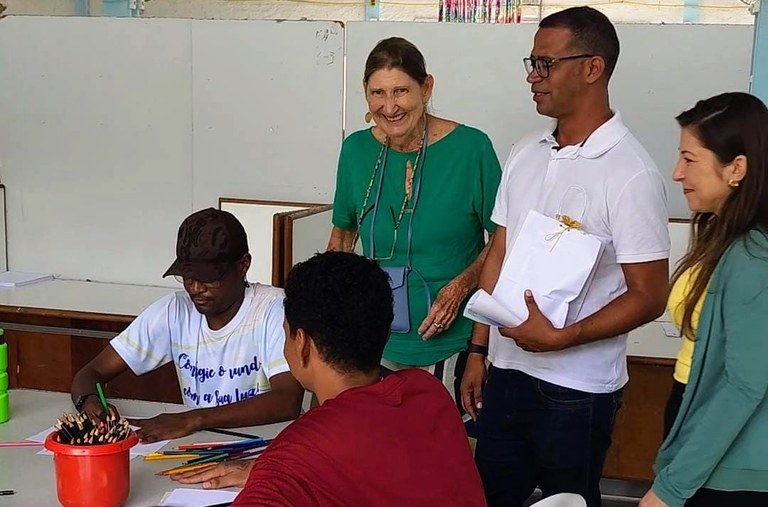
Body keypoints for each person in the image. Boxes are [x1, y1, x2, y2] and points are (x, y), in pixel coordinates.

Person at [460, 7, 670, 507]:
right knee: (489, 496)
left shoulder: (631, 174)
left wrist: (563, 338)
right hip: (506, 373)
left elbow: (649, 296)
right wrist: (479, 348)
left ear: (592, 68)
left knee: (569, 501)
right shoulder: (525, 151)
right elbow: (500, 250)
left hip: (577, 389)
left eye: (546, 64)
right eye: (531, 63)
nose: (533, 77)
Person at [173, 251, 487, 506]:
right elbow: (375, 460)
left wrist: (276, 474)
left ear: (302, 343)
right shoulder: (427, 392)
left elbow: (330, 454)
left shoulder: (296, 456)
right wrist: (271, 470)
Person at [328, 37, 501, 400]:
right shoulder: (355, 151)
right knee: (380, 453)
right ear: (365, 93)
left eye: (401, 91)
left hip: (454, 344)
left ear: (426, 87)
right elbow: (342, 237)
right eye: (378, 93)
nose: (389, 107)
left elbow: (503, 239)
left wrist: (460, 287)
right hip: (372, 344)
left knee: (443, 452)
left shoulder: (471, 149)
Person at [71, 208, 304, 442]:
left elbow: (286, 401)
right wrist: (89, 400)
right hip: (196, 443)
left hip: (264, 446)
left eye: (208, 278)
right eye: (187, 277)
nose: (195, 288)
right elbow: (91, 373)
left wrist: (193, 419)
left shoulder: (273, 309)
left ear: (243, 265)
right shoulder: (175, 310)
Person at [638, 93, 768, 507]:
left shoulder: (752, 255)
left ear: (737, 169)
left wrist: (670, 489)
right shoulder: (720, 234)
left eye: (689, 159)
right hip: (699, 425)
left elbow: (745, 384)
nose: (677, 173)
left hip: (731, 463)